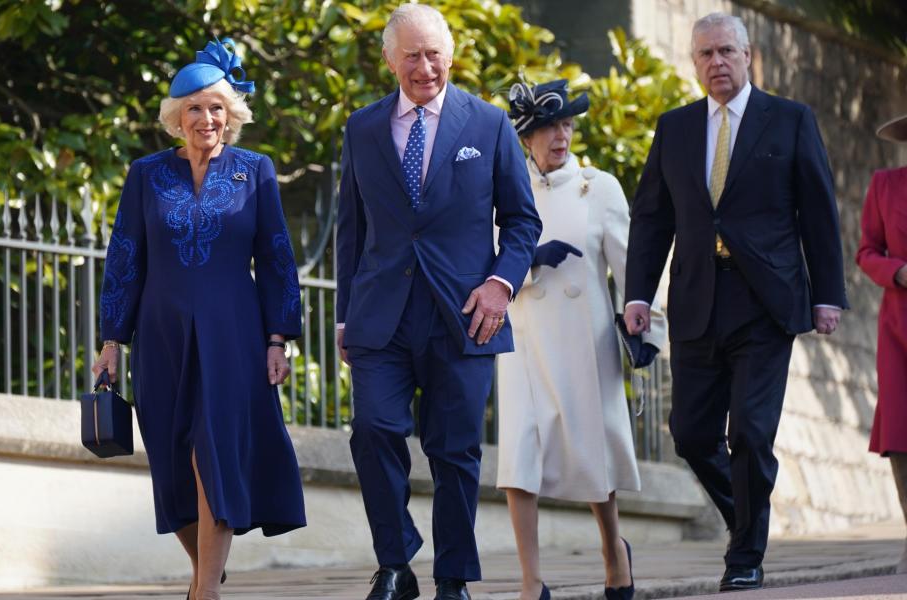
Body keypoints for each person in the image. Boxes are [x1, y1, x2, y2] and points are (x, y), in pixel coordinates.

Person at [623, 12, 848, 592]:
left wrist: (828, 295)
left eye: (726, 51)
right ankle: (746, 518)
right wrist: (637, 295)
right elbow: (652, 219)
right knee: (691, 436)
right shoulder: (674, 128)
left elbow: (818, 214)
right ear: (693, 63)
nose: (716, 63)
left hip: (765, 301)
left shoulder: (790, 121)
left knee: (750, 432)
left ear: (748, 56)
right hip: (697, 298)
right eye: (705, 54)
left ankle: (744, 555)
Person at [335, 4, 542, 599]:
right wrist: (346, 314)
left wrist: (500, 285)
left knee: (454, 451)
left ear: (450, 55)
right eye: (411, 56)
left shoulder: (489, 125)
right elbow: (352, 228)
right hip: (382, 315)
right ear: (390, 61)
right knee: (373, 430)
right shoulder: (363, 127)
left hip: (465, 315)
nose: (424, 67)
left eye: (433, 54)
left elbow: (523, 223)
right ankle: (396, 563)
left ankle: (453, 576)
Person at [92, 38, 306, 600]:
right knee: (170, 457)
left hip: (233, 331)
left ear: (230, 114)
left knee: (215, 449)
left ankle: (204, 591)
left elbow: (277, 257)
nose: (206, 118)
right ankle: (206, 566)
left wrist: (278, 338)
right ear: (176, 117)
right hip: (158, 334)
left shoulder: (254, 171)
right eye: (194, 108)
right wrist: (112, 339)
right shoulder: (145, 174)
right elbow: (125, 257)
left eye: (216, 107)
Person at [496, 79, 666, 600]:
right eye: (548, 127)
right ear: (526, 136)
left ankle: (613, 549)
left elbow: (632, 268)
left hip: (584, 340)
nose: (560, 135)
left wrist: (645, 329)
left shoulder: (600, 187)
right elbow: (482, 262)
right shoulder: (503, 189)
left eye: (566, 124)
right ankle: (532, 583)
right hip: (524, 335)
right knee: (518, 459)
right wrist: (525, 261)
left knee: (593, 452)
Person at [856, 113, 907, 574]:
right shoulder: (885, 185)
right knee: (900, 434)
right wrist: (897, 272)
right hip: (899, 328)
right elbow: (867, 250)